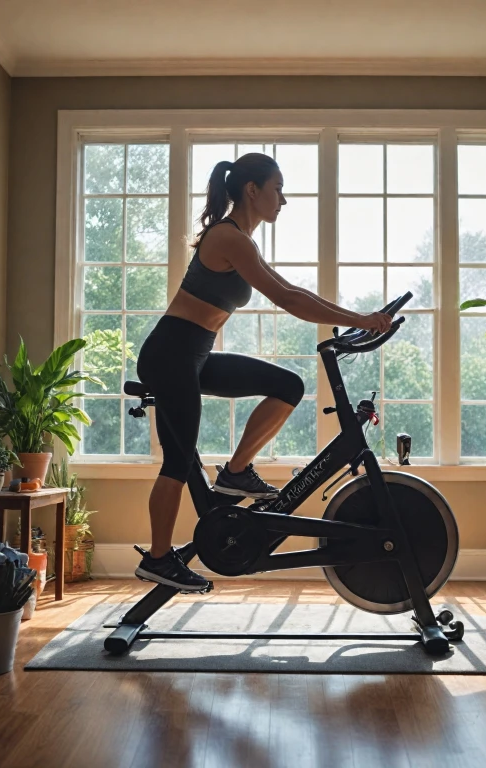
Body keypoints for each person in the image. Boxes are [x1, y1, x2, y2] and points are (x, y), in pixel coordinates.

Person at [134, 152, 393, 590]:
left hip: (192, 355)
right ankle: (159, 559)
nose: (284, 200)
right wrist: (361, 320)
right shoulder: (228, 237)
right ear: (252, 190)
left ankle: (236, 472)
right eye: (278, 189)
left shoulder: (242, 241)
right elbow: (289, 301)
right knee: (177, 462)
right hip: (170, 354)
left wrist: (360, 318)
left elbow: (293, 290)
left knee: (286, 385)